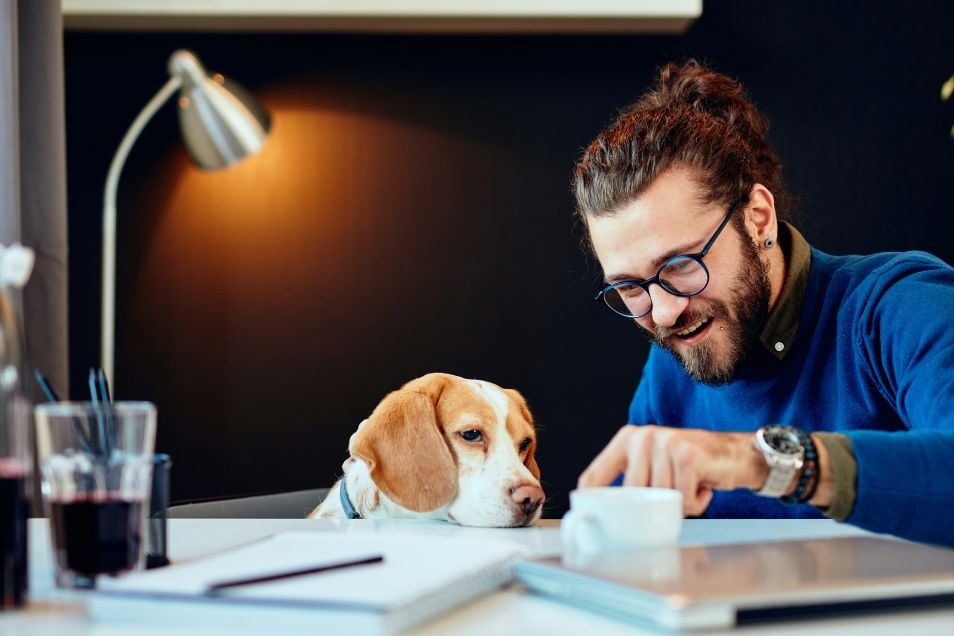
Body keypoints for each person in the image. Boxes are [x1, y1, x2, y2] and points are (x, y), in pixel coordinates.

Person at [573, 59, 954, 547]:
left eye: (681, 265)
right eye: (630, 287)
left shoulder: (900, 306)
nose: (663, 314)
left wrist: (756, 461)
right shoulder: (677, 355)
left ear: (757, 219)